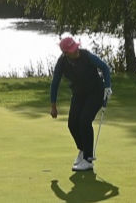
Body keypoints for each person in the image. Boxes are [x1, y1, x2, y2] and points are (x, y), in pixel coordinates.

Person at [48, 37, 113, 172]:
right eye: (72, 49)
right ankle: (83, 150)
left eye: (76, 47)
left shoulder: (86, 55)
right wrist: (53, 105)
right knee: (72, 123)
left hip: (96, 93)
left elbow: (105, 68)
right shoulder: (62, 63)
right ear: (66, 53)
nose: (76, 50)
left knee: (84, 121)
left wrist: (108, 87)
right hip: (79, 94)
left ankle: (88, 160)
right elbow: (55, 83)